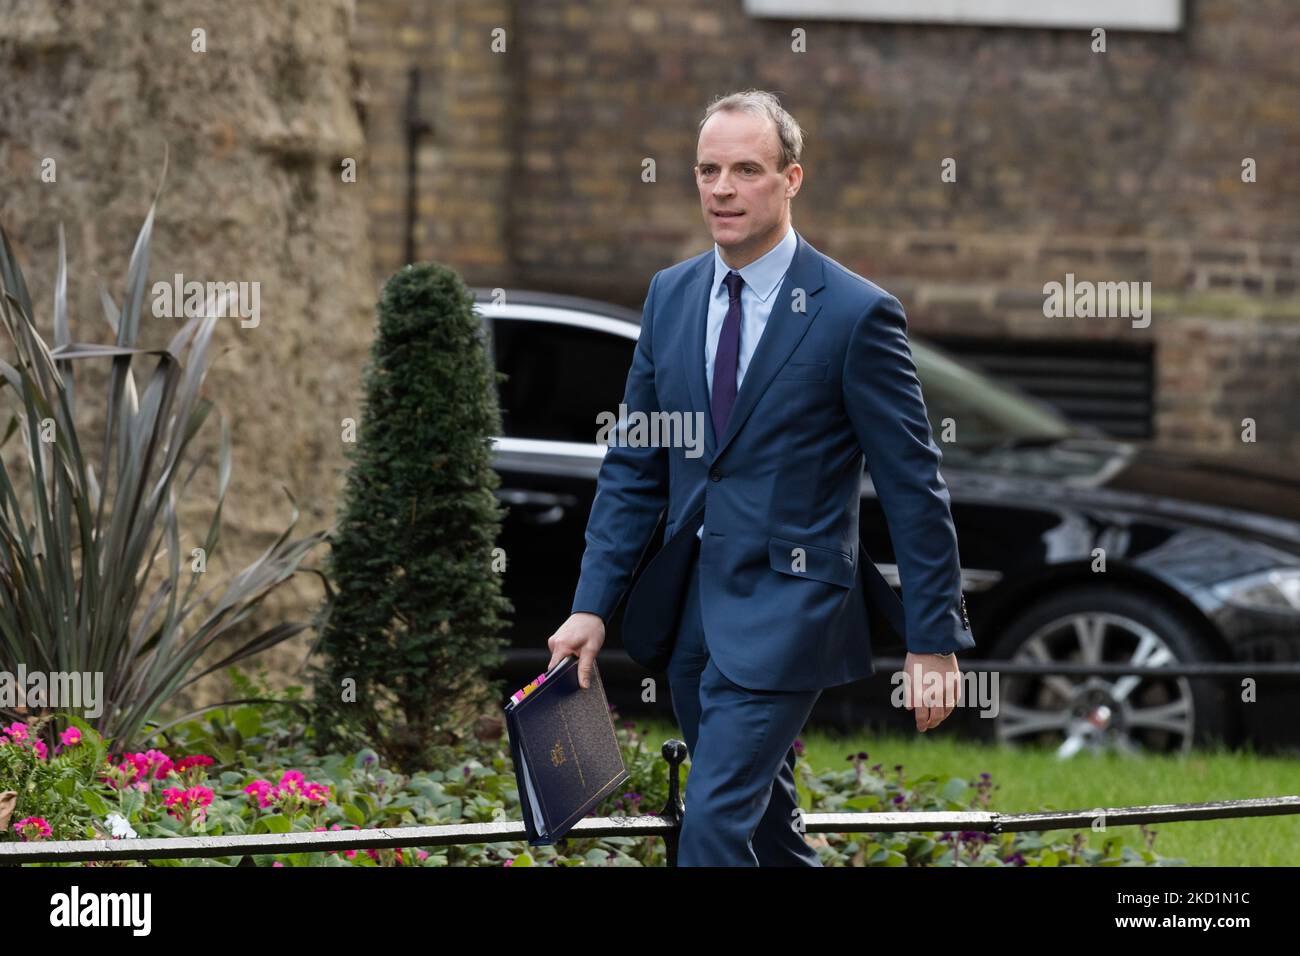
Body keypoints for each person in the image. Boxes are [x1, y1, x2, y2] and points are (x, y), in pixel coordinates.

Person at [546, 89, 975, 866]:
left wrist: (932, 640)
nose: (721, 188)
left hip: (791, 610)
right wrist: (591, 606)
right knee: (768, 831)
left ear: (792, 179)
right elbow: (637, 468)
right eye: (708, 170)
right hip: (689, 616)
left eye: (746, 169)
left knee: (710, 827)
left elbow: (913, 482)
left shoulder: (854, 314)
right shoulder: (670, 296)